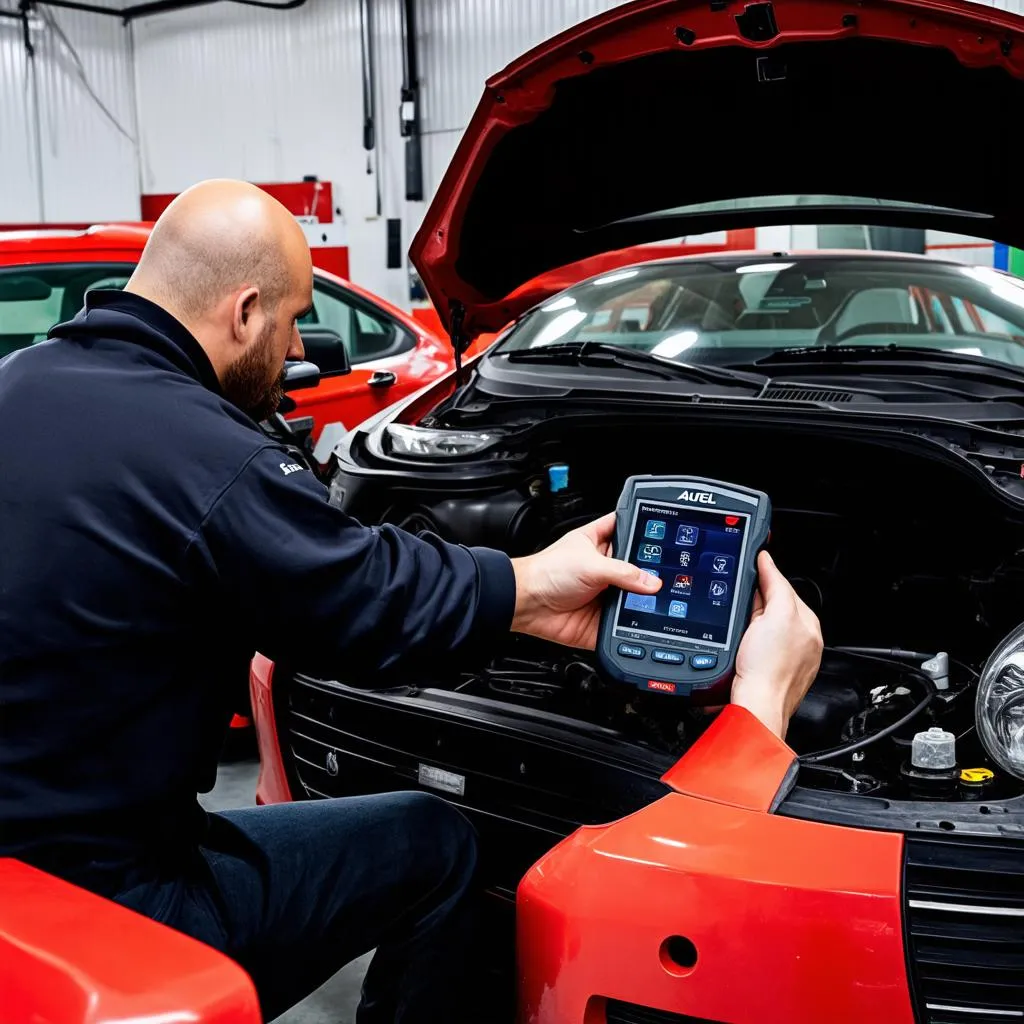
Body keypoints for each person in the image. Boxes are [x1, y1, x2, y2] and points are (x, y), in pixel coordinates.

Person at [0, 180, 822, 1022]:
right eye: (289, 327)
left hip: (25, 860)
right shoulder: (201, 448)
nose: (293, 356)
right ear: (244, 312)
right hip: (111, 898)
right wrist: (527, 586)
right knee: (433, 843)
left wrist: (524, 596)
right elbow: (357, 595)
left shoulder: (19, 383)